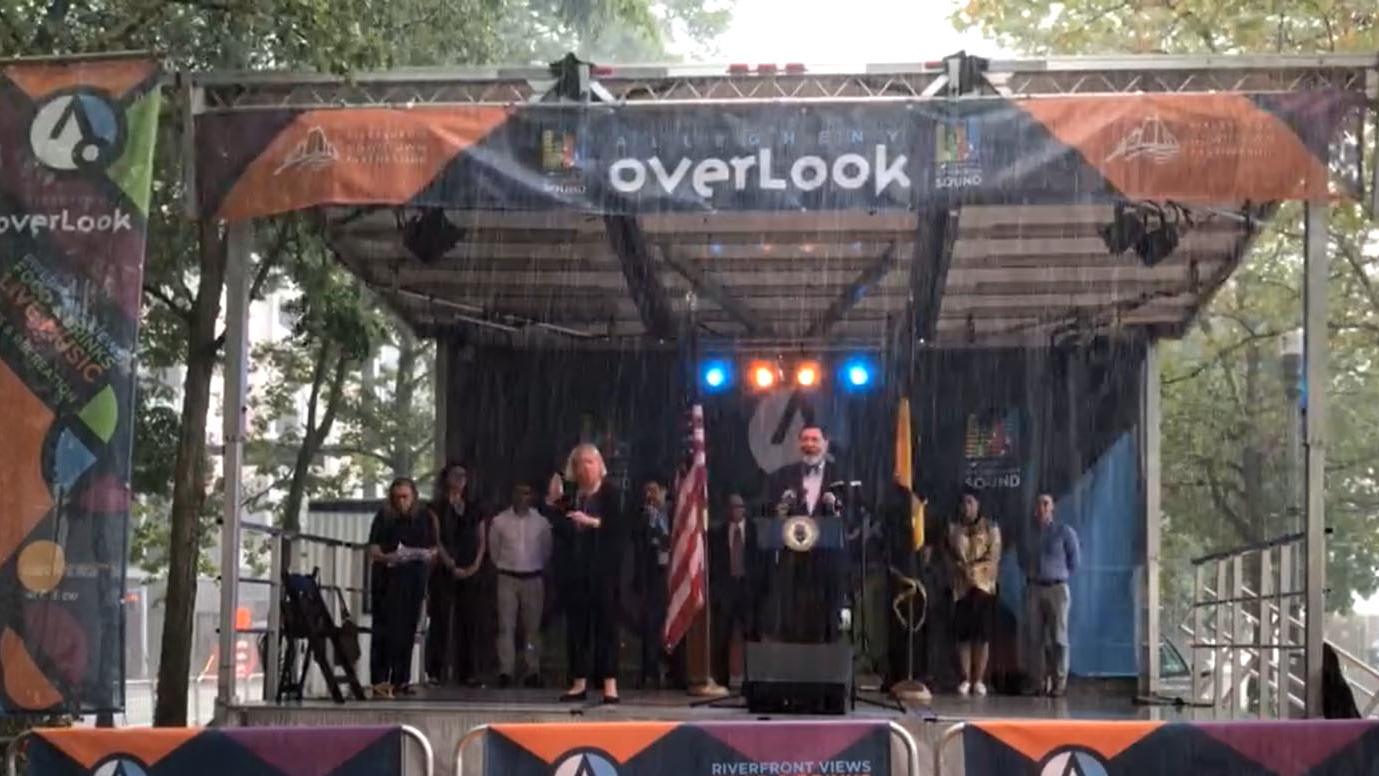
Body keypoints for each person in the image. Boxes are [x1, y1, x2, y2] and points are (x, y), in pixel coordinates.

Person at [545, 443, 628, 703]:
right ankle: (578, 683)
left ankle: (609, 685)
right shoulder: (571, 495)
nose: (584, 468)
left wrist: (593, 523)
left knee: (606, 629)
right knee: (577, 629)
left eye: (589, 462)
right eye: (579, 463)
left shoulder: (610, 493)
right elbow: (559, 521)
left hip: (604, 573)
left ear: (599, 465)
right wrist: (558, 503)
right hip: (575, 573)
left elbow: (620, 528)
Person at [762, 425, 845, 643]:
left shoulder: (841, 475)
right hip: (793, 563)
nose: (810, 445)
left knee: (826, 617)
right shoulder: (783, 476)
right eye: (805, 440)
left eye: (815, 440)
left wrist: (837, 507)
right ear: (799, 444)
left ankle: (826, 658)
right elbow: (770, 512)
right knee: (793, 615)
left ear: (826, 444)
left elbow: (854, 512)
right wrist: (781, 508)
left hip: (828, 561)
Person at [367, 477, 436, 698]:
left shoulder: (424, 517)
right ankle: (379, 679)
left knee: (406, 629)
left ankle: (401, 679)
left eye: (405, 497)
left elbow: (433, 548)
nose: (401, 502)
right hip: (386, 580)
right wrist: (388, 556)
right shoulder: (384, 516)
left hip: (412, 579)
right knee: (383, 630)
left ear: (414, 496)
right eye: (397, 498)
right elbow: (374, 549)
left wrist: (421, 555)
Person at [425, 462, 485, 687]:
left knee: (469, 621)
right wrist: (450, 563)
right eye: (456, 475)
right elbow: (436, 538)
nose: (460, 479)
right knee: (440, 619)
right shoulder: (436, 507)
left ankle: (467, 672)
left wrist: (475, 564)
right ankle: (435, 672)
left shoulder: (474, 507)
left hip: (471, 568)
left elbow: (482, 539)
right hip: (444, 568)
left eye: (464, 475)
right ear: (446, 478)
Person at [489, 483, 553, 688]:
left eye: (527, 493)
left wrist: (537, 567)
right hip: (507, 577)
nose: (523, 497)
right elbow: (494, 550)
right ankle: (506, 671)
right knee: (506, 627)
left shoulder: (541, 522)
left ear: (532, 496)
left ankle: (532, 671)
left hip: (533, 577)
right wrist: (503, 566)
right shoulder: (499, 521)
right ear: (513, 495)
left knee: (532, 628)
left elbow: (546, 550)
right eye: (519, 493)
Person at [1022, 492, 1079, 697]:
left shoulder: (1064, 532)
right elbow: (1022, 559)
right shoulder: (1029, 535)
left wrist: (1057, 575)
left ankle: (1059, 683)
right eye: (1039, 504)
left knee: (1059, 638)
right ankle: (1038, 683)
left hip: (1057, 588)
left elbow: (1074, 561)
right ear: (1035, 509)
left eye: (1046, 503)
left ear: (1052, 507)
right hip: (1034, 588)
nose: (1042, 508)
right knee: (1035, 638)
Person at [949, 486, 1001, 696]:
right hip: (961, 587)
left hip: (983, 587)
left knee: (982, 636)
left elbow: (994, 555)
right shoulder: (954, 528)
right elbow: (950, 555)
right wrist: (962, 570)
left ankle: (979, 679)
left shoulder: (990, 527)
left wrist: (976, 573)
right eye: (964, 502)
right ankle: (965, 678)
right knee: (963, 636)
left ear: (978, 505)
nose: (967, 507)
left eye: (970, 502)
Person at [632, 479, 682, 689]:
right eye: (646, 491)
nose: (649, 495)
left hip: (675, 575)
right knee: (650, 626)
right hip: (653, 576)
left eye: (653, 490)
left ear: (664, 491)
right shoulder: (642, 516)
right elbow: (639, 544)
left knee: (675, 622)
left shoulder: (676, 513)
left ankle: (676, 672)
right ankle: (649, 672)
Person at [708, 493, 759, 689]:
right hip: (726, 590)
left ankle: (753, 678)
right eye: (732, 507)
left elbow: (760, 562)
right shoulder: (719, 532)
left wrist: (757, 589)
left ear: (744, 509)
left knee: (750, 635)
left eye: (739, 507)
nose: (736, 511)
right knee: (723, 635)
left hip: (747, 589)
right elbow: (714, 563)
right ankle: (722, 679)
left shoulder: (753, 531)